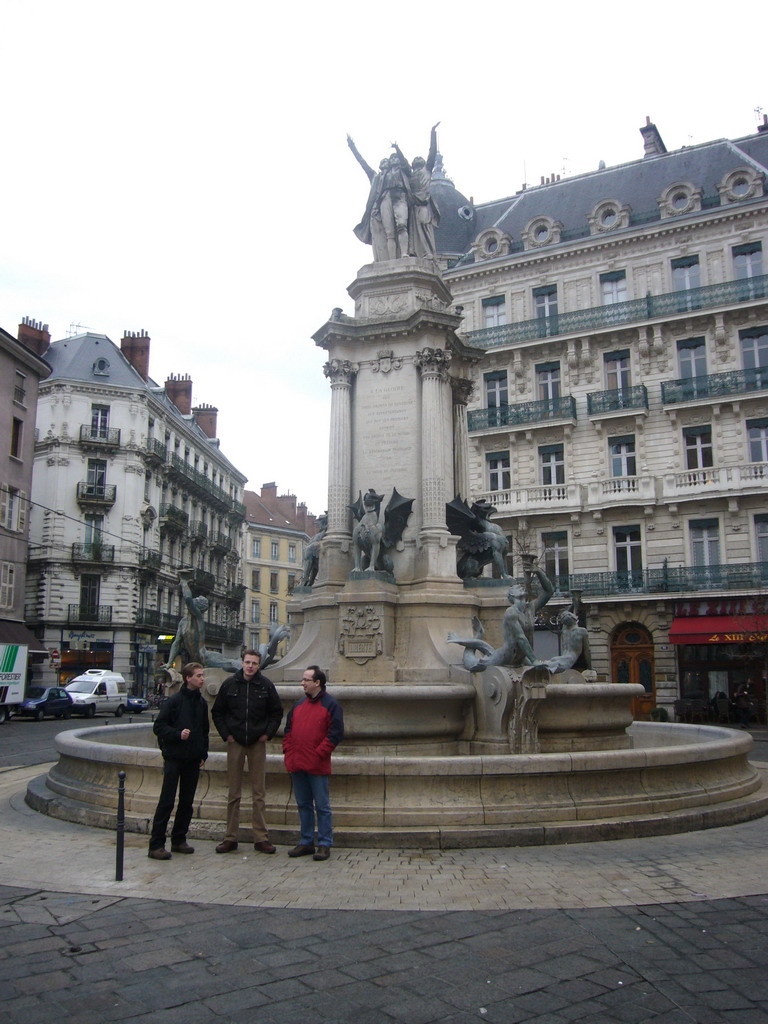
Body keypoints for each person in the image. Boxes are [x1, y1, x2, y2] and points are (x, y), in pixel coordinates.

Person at [211, 650, 283, 854]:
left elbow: (276, 712)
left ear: (259, 666)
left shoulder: (266, 686)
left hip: (256, 742)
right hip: (236, 741)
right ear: (242, 663)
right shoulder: (230, 684)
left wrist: (267, 734)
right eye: (247, 662)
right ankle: (230, 837)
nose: (250, 666)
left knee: (258, 792)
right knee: (233, 792)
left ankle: (260, 837)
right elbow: (218, 712)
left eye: (254, 663)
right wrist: (227, 735)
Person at [148, 662, 209, 860]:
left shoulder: (201, 703)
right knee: (166, 801)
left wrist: (202, 754)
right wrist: (177, 734)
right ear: (188, 678)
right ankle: (156, 844)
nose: (202, 679)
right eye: (199, 675)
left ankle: (179, 839)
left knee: (187, 802)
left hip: (192, 759)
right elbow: (159, 726)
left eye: (202, 675)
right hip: (174, 758)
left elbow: (204, 731)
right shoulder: (174, 701)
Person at [283, 665, 344, 861]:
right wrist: (289, 751)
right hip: (298, 761)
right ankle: (306, 841)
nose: (302, 683)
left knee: (322, 806)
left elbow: (335, 733)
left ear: (317, 683)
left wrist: (319, 753)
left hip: (317, 763)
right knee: (303, 804)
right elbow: (288, 730)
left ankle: (325, 843)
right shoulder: (299, 704)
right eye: (303, 680)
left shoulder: (331, 704)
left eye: (306, 680)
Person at [447, 565, 555, 672]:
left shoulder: (530, 608)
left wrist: (538, 572)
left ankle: (479, 634)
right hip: (506, 657)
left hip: (521, 657)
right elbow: (520, 638)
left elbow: (549, 591)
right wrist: (534, 661)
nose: (520, 586)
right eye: (517, 587)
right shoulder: (511, 612)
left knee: (548, 668)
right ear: (512, 596)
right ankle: (472, 636)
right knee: (472, 662)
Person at [392, 122, 441, 258]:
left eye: (420, 159)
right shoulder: (411, 175)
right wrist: (397, 149)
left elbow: (432, 152)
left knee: (425, 229)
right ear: (413, 165)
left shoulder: (427, 171)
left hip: (424, 205)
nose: (418, 159)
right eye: (416, 159)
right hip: (413, 207)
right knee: (415, 232)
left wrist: (433, 133)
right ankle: (418, 253)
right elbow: (403, 162)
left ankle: (429, 253)